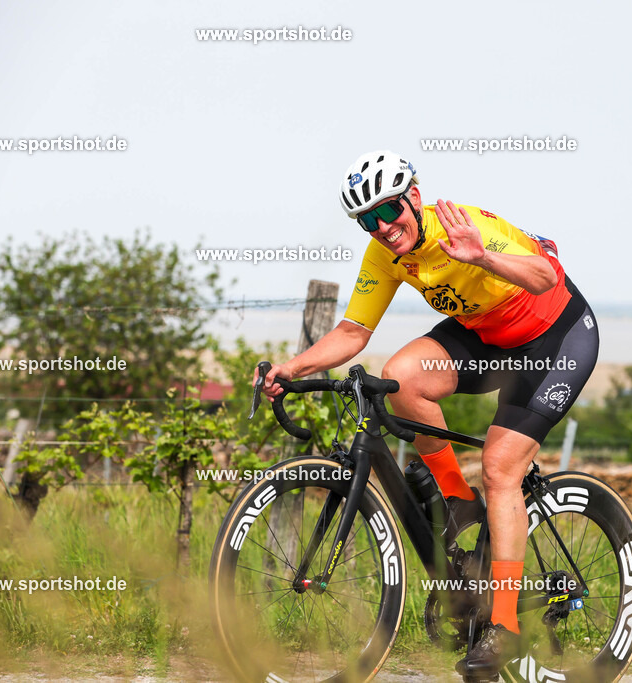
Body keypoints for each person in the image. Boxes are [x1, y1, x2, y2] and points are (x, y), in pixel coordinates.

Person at [257, 150, 600, 678]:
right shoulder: (384, 254)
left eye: (388, 209)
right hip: (488, 337)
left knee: (500, 467)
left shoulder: (465, 224)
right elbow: (353, 331)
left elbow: (544, 277)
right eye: (367, 220)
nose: (382, 226)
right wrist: (292, 367)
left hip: (555, 339)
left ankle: (505, 627)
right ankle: (459, 502)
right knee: (401, 377)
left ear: (413, 197)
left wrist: (482, 257)